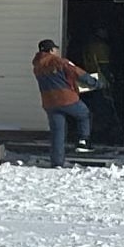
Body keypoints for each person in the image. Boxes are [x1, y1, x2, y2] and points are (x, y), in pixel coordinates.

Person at [37, 39, 94, 167]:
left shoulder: (37, 66)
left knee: (58, 132)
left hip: (49, 102)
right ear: (51, 50)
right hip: (66, 98)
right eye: (55, 49)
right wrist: (95, 82)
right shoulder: (60, 62)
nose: (57, 51)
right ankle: (83, 141)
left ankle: (57, 162)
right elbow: (78, 73)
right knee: (84, 114)